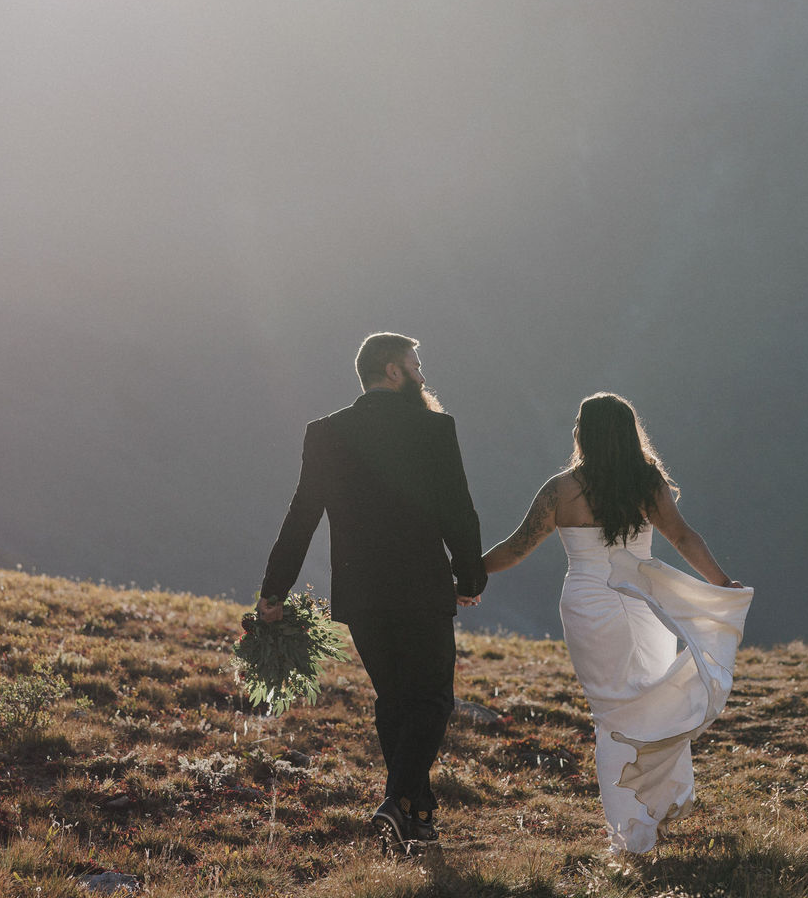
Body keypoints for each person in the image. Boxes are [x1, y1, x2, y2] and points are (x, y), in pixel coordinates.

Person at [483, 392, 752, 854]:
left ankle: (629, 832)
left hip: (589, 604)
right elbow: (683, 536)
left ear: (583, 433)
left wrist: (463, 575)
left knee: (611, 714)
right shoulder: (646, 482)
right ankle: (653, 811)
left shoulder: (561, 489)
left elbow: (516, 547)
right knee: (649, 701)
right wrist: (722, 583)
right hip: (643, 603)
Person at [258, 332, 485, 848]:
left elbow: (301, 518)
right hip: (422, 586)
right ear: (393, 371)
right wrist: (469, 577)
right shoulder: (434, 429)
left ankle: (417, 817)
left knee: (396, 700)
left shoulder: (326, 433)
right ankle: (397, 800)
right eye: (415, 364)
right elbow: (458, 509)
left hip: (361, 593)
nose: (422, 373)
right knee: (431, 699)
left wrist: (274, 589)